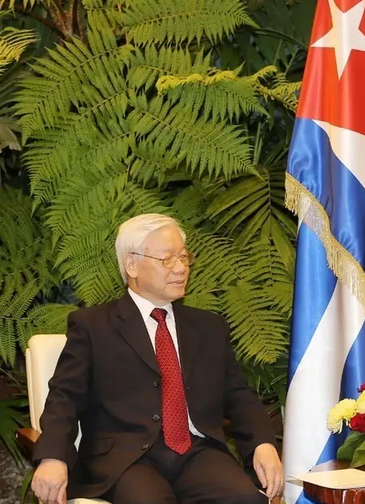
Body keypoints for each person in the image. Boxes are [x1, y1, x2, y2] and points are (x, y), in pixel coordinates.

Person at [30, 214, 283, 504]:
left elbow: (239, 395)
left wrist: (263, 443)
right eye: (167, 259)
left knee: (246, 499)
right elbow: (65, 397)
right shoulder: (93, 326)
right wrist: (52, 456)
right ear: (132, 264)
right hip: (125, 461)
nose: (181, 268)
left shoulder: (208, 327)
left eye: (184, 257)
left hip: (198, 454)